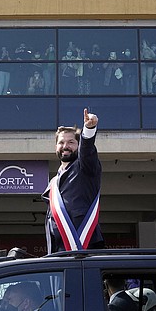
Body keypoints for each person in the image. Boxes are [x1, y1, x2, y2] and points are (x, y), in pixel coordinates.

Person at [43, 108, 104, 253]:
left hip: (85, 247)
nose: (65, 146)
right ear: (55, 147)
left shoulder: (85, 167)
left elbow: (87, 150)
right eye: (61, 142)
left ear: (78, 146)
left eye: (71, 142)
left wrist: (88, 130)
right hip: (58, 250)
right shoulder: (54, 183)